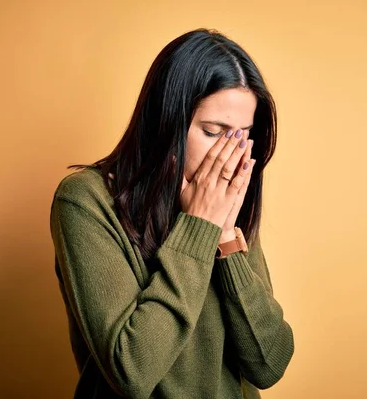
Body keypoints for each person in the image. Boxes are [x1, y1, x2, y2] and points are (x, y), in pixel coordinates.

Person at [49, 28, 294, 399]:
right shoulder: (86, 201)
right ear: (166, 123)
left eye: (242, 135)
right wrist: (199, 227)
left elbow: (269, 363)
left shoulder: (231, 200)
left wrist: (226, 239)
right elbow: (133, 371)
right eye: (214, 132)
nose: (231, 156)